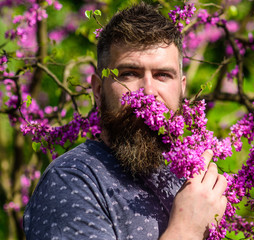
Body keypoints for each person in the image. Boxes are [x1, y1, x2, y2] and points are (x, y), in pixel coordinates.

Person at [23, 3, 227, 240]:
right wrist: (186, 230)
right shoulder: (72, 180)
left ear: (181, 89)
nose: (148, 92)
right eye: (129, 74)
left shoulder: (188, 178)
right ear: (98, 90)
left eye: (162, 75)